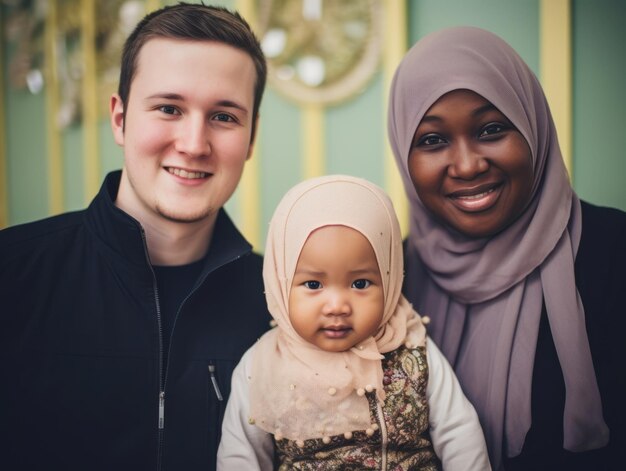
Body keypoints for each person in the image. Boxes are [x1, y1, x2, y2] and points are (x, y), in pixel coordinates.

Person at [0, 3, 270, 470]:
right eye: (169, 108)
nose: (193, 143)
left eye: (224, 117)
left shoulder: (287, 302)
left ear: (251, 139)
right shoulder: (11, 275)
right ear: (120, 119)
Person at [387, 26, 626, 470]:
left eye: (492, 129)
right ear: (404, 153)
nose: (468, 164)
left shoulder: (615, 252)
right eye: (433, 140)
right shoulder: (386, 283)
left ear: (533, 124)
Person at [217, 174, 491, 470]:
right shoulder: (263, 365)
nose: (337, 306)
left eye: (360, 283)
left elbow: (459, 433)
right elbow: (241, 456)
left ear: (389, 276)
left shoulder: (413, 347)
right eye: (312, 285)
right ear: (281, 284)